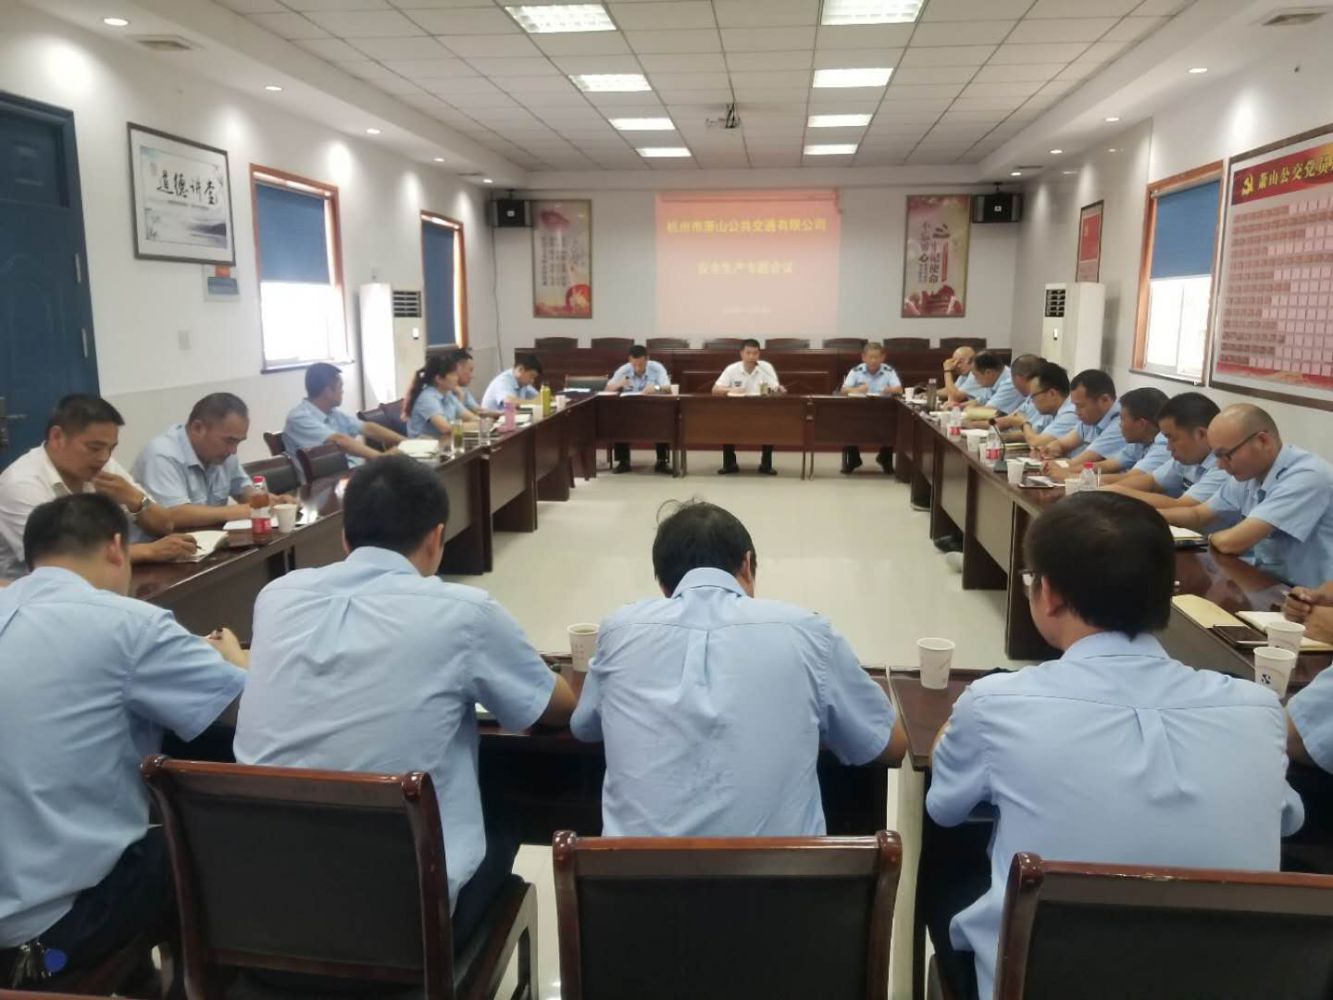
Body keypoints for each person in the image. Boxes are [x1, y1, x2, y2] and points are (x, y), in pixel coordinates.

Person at [927, 492, 1303, 1000]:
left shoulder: (995, 703)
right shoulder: (1257, 709)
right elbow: (1287, 819)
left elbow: (945, 809)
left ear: (1049, 594)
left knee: (951, 862)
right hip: (1230, 980)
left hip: (1046, 979)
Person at [234, 455, 575, 951]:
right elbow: (555, 708)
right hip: (403, 931)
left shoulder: (277, 597)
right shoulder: (465, 613)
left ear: (345, 537)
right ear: (436, 537)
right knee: (504, 809)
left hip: (261, 923)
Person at [0, 493, 247, 991]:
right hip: (46, 935)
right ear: (117, 546)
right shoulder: (127, 623)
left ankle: (142, 982)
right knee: (209, 832)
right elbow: (250, 708)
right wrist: (236, 659)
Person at [570, 500, 905, 836]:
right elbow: (890, 745)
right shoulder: (806, 632)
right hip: (784, 872)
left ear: (663, 585)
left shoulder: (619, 631)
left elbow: (584, 728)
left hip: (632, 872)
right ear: (747, 564)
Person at [0, 395, 195, 581]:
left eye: (111, 448)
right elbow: (60, 564)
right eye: (94, 448)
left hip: (98, 579)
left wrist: (134, 498)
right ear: (57, 437)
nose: (104, 457)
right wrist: (148, 551)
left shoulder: (101, 465)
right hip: (30, 595)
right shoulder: (21, 484)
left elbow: (165, 525)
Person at [1162, 404, 1333, 587]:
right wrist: (1149, 516)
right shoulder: (1249, 472)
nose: (1220, 465)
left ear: (1262, 441)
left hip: (1310, 596)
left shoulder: (1308, 476)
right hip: (1265, 583)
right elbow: (1198, 514)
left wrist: (1210, 538)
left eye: (1225, 455)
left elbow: (1231, 543)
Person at [132, 393, 293, 530]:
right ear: (198, 428)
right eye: (229, 441)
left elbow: (244, 491)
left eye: (238, 442)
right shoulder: (162, 455)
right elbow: (173, 515)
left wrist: (272, 502)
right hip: (155, 551)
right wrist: (238, 511)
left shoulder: (223, 454)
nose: (233, 451)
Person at [1101, 392, 1230, 510]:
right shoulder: (1188, 458)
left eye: (1172, 438)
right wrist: (1108, 489)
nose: (1168, 447)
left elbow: (1183, 506)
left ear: (1201, 434)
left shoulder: (1224, 467)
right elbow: (1151, 481)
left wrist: (1116, 491)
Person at [283, 362, 404, 466]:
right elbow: (339, 440)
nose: (342, 391)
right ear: (328, 392)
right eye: (340, 387)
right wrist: (382, 458)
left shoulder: (333, 413)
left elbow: (367, 428)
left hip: (351, 474)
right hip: (326, 482)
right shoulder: (299, 418)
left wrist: (406, 442)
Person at [1054, 386, 1170, 485]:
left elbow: (1130, 478)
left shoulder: (1164, 446)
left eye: (1123, 419)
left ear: (1141, 424)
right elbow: (1106, 465)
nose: (1119, 425)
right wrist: (1066, 470)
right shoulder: (1140, 441)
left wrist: (1071, 477)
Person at [713, 339, 784, 475]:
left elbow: (775, 390)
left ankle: (766, 464)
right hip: (735, 410)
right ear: (741, 353)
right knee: (726, 422)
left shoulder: (766, 367)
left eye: (755, 353)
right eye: (748, 353)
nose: (752, 356)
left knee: (770, 422)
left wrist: (779, 390)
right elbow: (715, 390)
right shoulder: (732, 369)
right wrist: (731, 390)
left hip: (762, 410)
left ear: (759, 354)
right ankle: (730, 464)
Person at [1037, 368, 1129, 469]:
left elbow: (1080, 463)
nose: (1076, 412)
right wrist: (1046, 451)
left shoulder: (1121, 424)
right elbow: (1062, 444)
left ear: (1104, 400)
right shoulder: (1093, 417)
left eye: (1080, 406)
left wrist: (1050, 464)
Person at [607, 345, 672, 475]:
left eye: (641, 365)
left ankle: (662, 461)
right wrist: (619, 384)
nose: (637, 368)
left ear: (647, 359)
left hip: (653, 408)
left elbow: (668, 388)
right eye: (634, 364)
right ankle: (623, 462)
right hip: (628, 409)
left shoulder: (657, 368)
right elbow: (607, 389)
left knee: (663, 419)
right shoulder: (624, 369)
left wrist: (656, 388)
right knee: (618, 420)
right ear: (629, 360)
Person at [840, 341, 902, 475]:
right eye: (870, 357)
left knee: (892, 423)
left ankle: (885, 459)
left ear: (883, 358)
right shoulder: (856, 371)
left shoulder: (888, 371)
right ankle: (853, 459)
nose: (873, 360)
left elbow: (899, 389)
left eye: (877, 357)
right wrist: (857, 390)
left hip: (883, 411)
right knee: (847, 422)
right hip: (859, 411)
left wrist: (889, 389)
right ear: (864, 357)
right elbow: (843, 390)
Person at [998, 361, 1079, 448]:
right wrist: (1002, 437)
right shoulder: (1053, 410)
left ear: (1052, 394)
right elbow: (1036, 433)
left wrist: (1024, 423)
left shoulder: (1070, 414)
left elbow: (1036, 443)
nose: (1032, 402)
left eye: (1033, 396)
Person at [406, 354, 474, 439]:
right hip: (423, 446)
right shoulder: (427, 398)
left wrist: (480, 423)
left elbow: (471, 417)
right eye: (453, 375)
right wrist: (478, 425)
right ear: (439, 379)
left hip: (443, 443)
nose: (457, 378)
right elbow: (445, 428)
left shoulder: (447, 394)